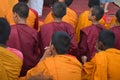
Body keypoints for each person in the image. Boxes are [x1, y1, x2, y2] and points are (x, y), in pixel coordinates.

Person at [7, 2, 41, 77]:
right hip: (29, 69)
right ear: (27, 15)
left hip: (12, 68)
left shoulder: (9, 30)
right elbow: (37, 52)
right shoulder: (34, 33)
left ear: (15, 15)